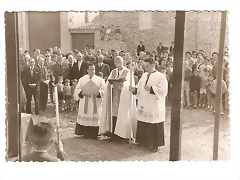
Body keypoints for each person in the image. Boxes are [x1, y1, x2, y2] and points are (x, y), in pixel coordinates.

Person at [129, 57, 168, 152]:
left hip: (154, 103)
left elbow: (164, 91)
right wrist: (135, 89)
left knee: (154, 122)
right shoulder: (144, 75)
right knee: (143, 120)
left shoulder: (161, 76)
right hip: (144, 102)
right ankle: (143, 141)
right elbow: (140, 87)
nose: (145, 68)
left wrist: (151, 89)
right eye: (144, 66)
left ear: (153, 65)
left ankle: (155, 145)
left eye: (147, 66)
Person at [99, 56, 137, 142]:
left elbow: (130, 84)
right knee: (113, 114)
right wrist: (111, 84)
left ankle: (123, 135)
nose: (118, 64)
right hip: (113, 96)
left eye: (119, 62)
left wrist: (123, 85)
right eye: (116, 63)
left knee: (123, 114)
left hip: (123, 97)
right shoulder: (113, 71)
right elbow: (108, 83)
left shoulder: (127, 72)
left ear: (122, 62)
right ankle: (113, 134)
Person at [74, 64, 105, 140]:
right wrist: (81, 93)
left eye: (93, 69)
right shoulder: (82, 79)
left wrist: (99, 93)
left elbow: (104, 90)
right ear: (87, 70)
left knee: (95, 116)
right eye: (90, 70)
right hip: (85, 101)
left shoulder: (100, 80)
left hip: (95, 101)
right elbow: (77, 89)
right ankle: (85, 133)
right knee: (86, 116)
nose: (92, 71)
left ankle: (95, 134)